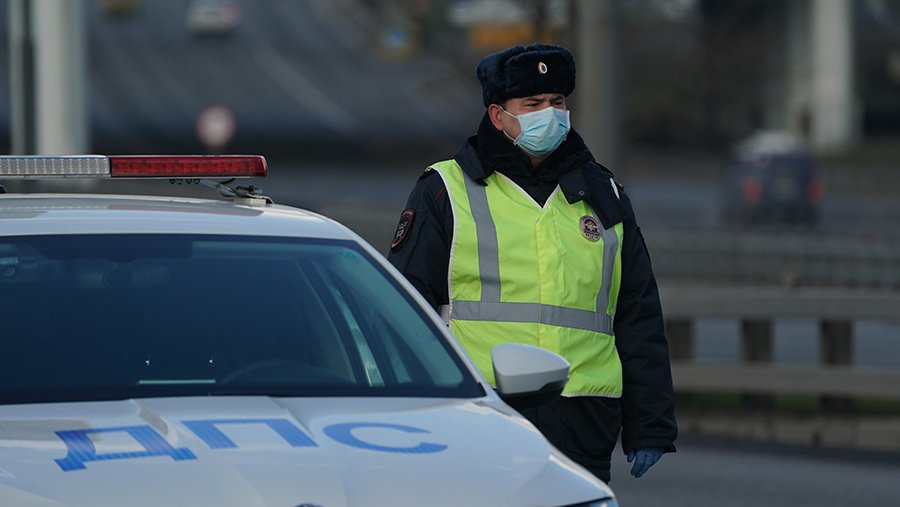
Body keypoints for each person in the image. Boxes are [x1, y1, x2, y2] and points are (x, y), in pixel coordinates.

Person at [387, 43, 677, 483]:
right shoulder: (446, 189)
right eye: (533, 103)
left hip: (583, 418)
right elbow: (405, 307)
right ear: (498, 116)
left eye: (557, 102)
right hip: (482, 411)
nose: (550, 113)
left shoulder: (604, 194)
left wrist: (649, 422)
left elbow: (638, 313)